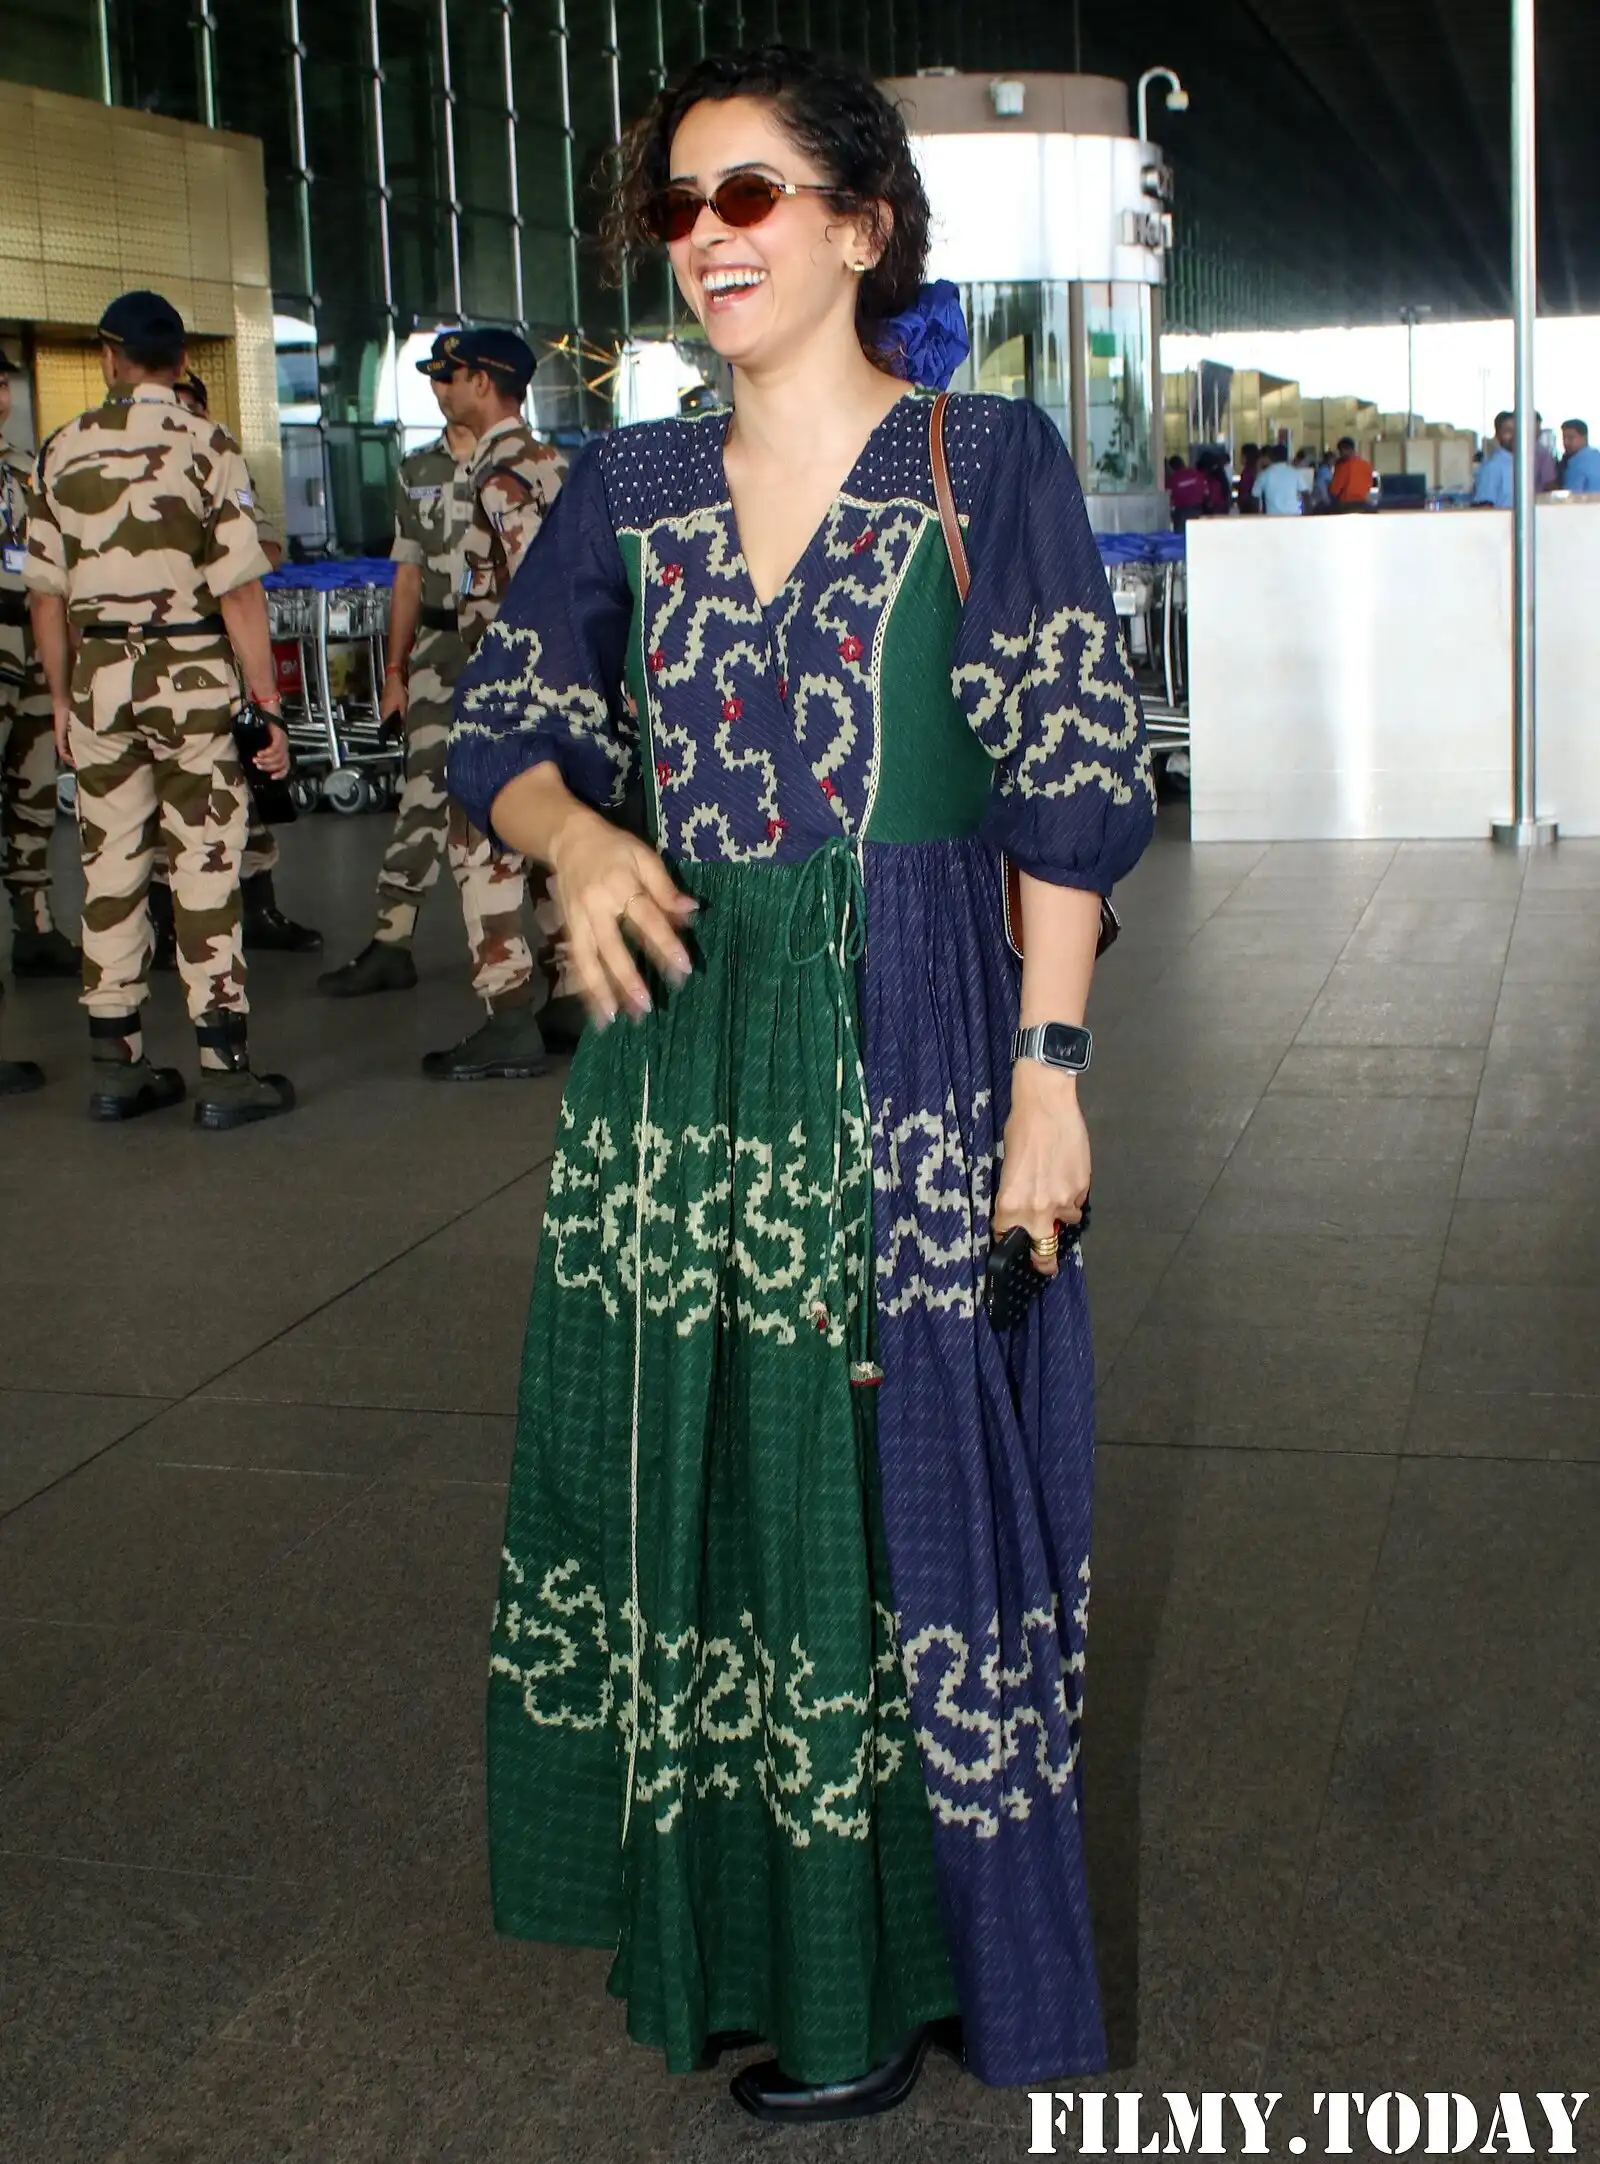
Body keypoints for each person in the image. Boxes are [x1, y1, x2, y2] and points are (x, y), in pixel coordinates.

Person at [451, 44, 1153, 2124]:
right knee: (728, 1507)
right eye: (677, 210)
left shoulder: (981, 456)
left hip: (925, 1028)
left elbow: (1065, 790)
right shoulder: (624, 487)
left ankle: (931, 1965)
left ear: (857, 220)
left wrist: (1049, 1072)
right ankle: (789, 1963)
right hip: (687, 1066)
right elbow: (501, 716)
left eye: (747, 197)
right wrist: (575, 839)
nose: (705, 242)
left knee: (923, 1499)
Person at [24, 289, 296, 1127]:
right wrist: (267, 702)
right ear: (182, 362)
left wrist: (63, 704)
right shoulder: (208, 444)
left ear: (110, 357)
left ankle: (118, 1063)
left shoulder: (60, 449)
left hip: (99, 683)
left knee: (110, 868)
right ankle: (223, 1072)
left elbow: (44, 597)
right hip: (193, 679)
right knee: (205, 865)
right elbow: (240, 592)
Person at [414, 327, 568, 1082]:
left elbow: (528, 589)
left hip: (510, 689)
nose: (442, 390)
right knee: (553, 834)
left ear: (484, 381)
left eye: (451, 377)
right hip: (559, 691)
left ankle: (507, 1012)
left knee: (479, 839)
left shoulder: (502, 475)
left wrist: (505, 688)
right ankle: (570, 993)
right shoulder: (549, 463)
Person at [316, 337, 479, 1002]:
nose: (442, 390)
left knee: (535, 792)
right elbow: (406, 574)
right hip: (439, 653)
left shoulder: (526, 465)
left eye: (452, 377)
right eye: (434, 379)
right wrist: (393, 668)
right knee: (422, 791)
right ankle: (392, 937)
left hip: (509, 649)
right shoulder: (420, 469)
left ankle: (560, 959)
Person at [143, 368, 321, 963]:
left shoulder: (223, 463)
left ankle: (259, 906)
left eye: (194, 405)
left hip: (234, 649)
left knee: (252, 781)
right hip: (171, 659)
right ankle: (171, 927)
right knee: (169, 800)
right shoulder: (139, 478)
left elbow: (265, 548)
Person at [0, 345, 79, 980]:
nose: (2, 397)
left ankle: (36, 926)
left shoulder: (24, 470)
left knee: (33, 790)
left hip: (27, 646)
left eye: (3, 383)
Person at [1254, 441, 1303, 515]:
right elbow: (1306, 494)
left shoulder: (1265, 474)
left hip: (1273, 517)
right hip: (1293, 516)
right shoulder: (1295, 473)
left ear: (1271, 457)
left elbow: (1255, 495)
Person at [1329, 435, 1375, 508]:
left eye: (1340, 451)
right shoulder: (1366, 465)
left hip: (1346, 505)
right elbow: (1370, 484)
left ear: (1344, 450)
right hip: (1363, 503)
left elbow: (1335, 490)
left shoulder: (1344, 466)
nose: (1340, 454)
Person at [1558, 418, 1600, 493]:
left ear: (1584, 437)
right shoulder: (1596, 455)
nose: (1565, 442)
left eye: (1570, 438)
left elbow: (1572, 495)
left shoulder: (1576, 461)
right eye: (1564, 438)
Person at [1236, 439, 1262, 511]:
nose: (1240, 457)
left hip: (1248, 506)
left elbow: (1245, 490)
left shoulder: (1248, 472)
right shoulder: (1254, 470)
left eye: (1242, 455)